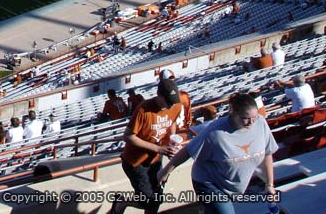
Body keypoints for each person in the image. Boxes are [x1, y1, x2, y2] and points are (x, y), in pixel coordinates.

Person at [158, 92, 277, 214]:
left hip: (233, 186)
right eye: (246, 118)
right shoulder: (215, 132)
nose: (251, 122)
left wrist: (269, 184)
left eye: (254, 117)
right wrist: (165, 172)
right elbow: (187, 151)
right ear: (234, 113)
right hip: (209, 183)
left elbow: (268, 152)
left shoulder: (261, 123)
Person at [110, 77, 183, 214]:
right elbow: (128, 136)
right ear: (158, 95)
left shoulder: (175, 106)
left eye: (172, 103)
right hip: (136, 162)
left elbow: (172, 120)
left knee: (156, 201)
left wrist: (171, 139)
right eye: (167, 102)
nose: (170, 106)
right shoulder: (143, 110)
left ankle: (123, 201)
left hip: (155, 160)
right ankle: (122, 201)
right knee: (148, 201)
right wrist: (159, 149)